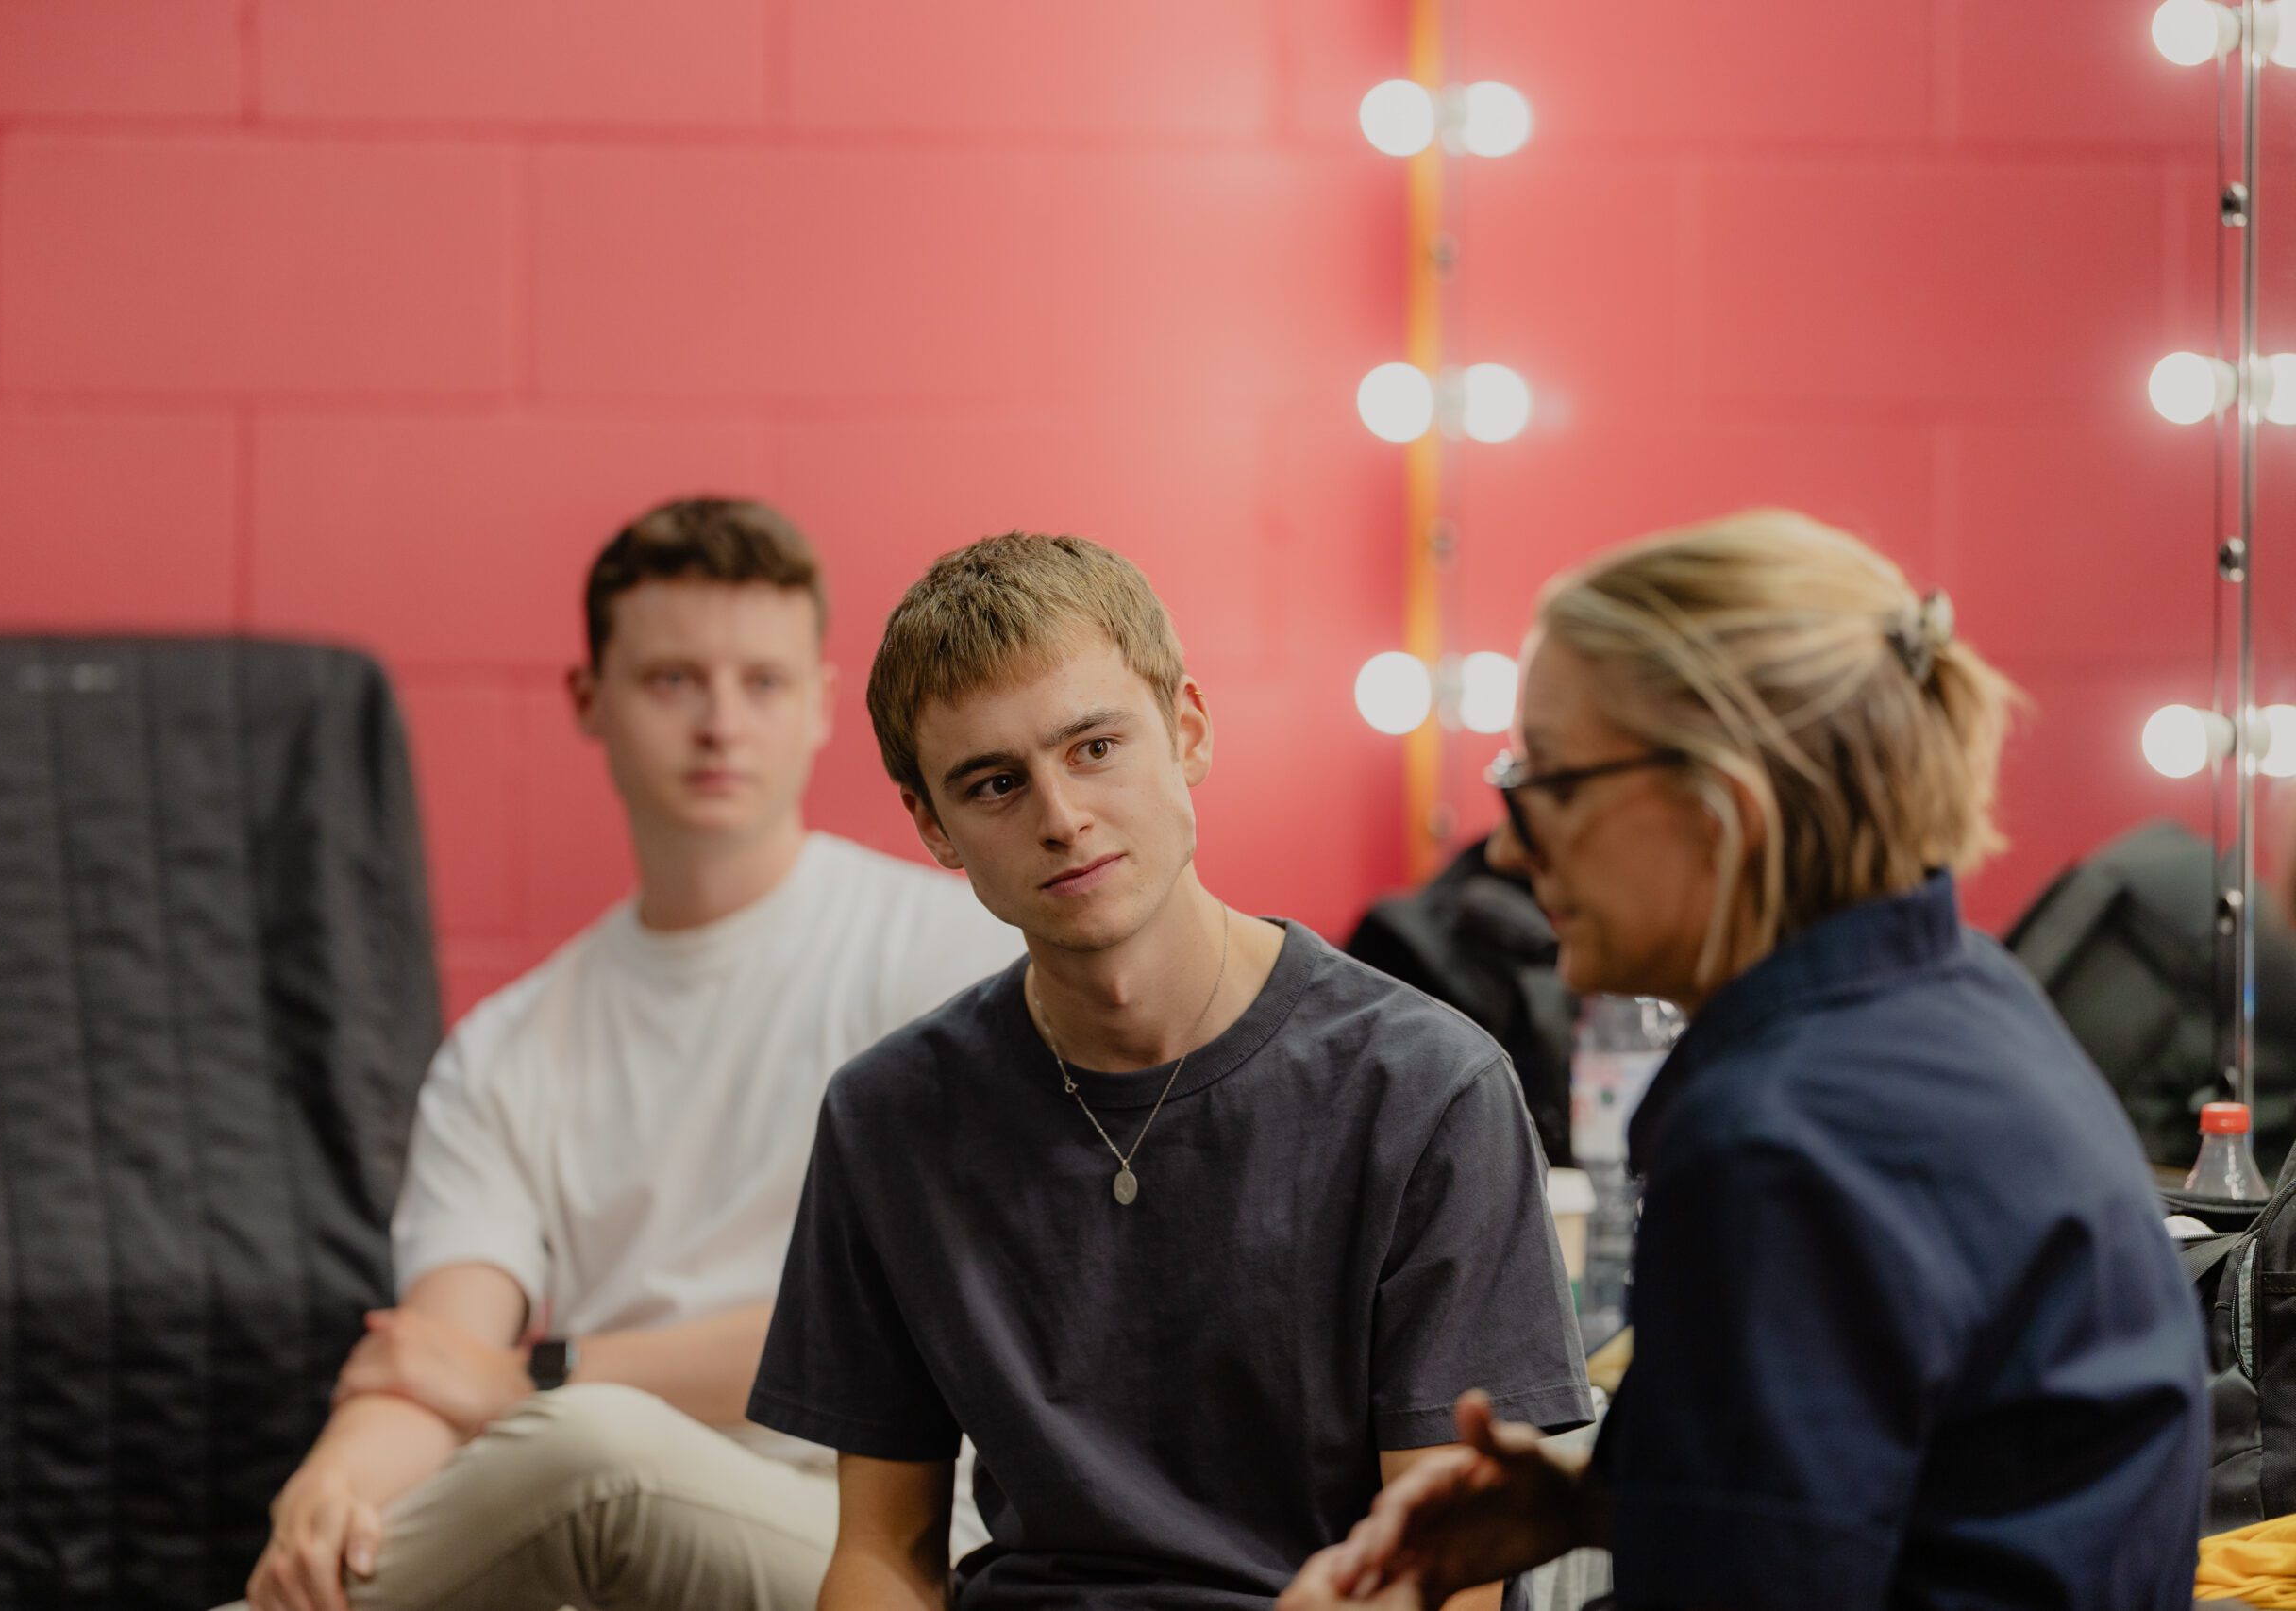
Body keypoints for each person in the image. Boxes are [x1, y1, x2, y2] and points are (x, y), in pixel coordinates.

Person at [1282, 511, 2210, 1611]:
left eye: (1550, 784)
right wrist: (1608, 1501)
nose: (1515, 846)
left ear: (1723, 807)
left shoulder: (1782, 1135)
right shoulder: (1958, 992)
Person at [746, 532, 1591, 1611]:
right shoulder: (890, 1117)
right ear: (933, 826)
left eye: (1094, 747)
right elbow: (879, 1552)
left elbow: (1441, 1578)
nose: (1061, 818)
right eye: (995, 784)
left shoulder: (1425, 1090)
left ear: (1186, 729)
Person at [241, 498, 1020, 1611]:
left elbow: (923, 1316)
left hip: (881, 1540)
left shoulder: (948, 951)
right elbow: (433, 1359)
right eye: (672, 681)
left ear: (816, 706)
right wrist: (329, 1486)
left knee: (591, 1453)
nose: (719, 723)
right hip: (587, 1522)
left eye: (761, 683)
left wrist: (548, 1376)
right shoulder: (508, 1047)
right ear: (586, 700)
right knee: (343, 1555)